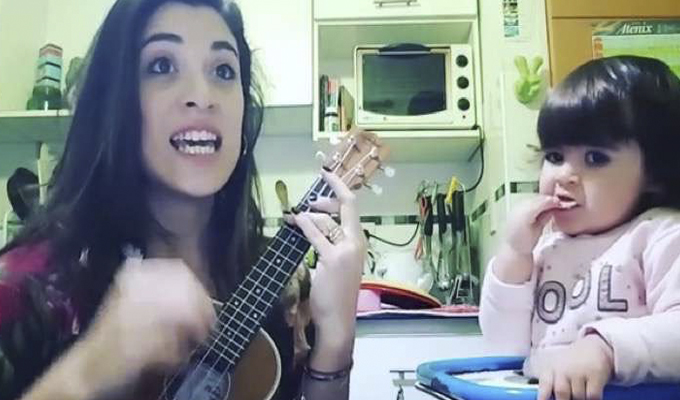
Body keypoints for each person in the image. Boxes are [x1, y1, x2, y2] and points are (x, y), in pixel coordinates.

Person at [0, 0, 366, 399]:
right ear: (114, 102)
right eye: (162, 66)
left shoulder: (285, 287)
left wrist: (337, 339)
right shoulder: (25, 285)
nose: (202, 96)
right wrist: (90, 368)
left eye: (223, 71)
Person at [479, 55, 680, 400]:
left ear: (655, 173)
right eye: (554, 157)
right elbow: (504, 346)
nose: (563, 175)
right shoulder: (546, 248)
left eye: (595, 158)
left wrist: (605, 347)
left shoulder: (659, 235)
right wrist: (514, 254)